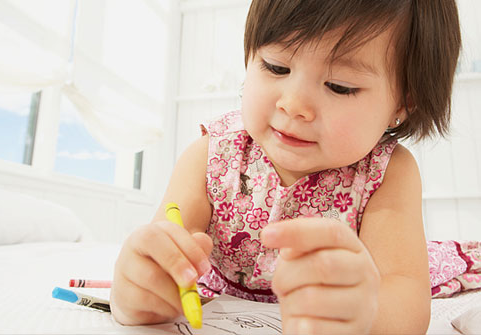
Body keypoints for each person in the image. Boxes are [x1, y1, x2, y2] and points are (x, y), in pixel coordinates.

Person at [110, 0, 461, 333]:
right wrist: (137, 291)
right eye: (276, 66)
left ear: (403, 102)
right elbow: (162, 259)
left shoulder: (388, 173)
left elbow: (408, 302)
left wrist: (366, 311)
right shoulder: (211, 156)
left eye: (339, 87)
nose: (293, 105)